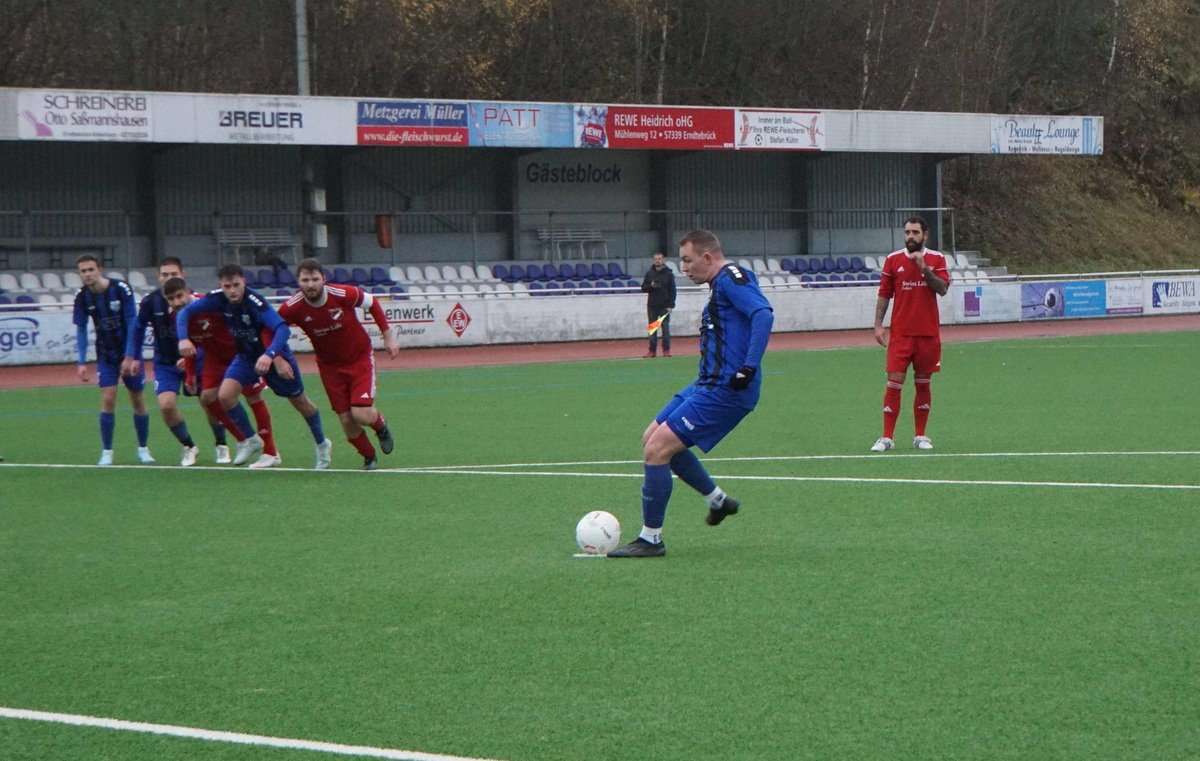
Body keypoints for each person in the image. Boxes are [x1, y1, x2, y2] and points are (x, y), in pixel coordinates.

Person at [609, 230, 774, 558]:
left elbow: (763, 314)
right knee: (652, 437)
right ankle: (718, 501)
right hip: (706, 383)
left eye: (687, 260)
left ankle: (651, 539)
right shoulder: (722, 283)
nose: (683, 268)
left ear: (707, 257)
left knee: (657, 450)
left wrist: (749, 367)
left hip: (727, 389)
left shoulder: (730, 279)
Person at [175, 264, 332, 469]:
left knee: (301, 402)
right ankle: (251, 439)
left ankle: (322, 443)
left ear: (244, 282)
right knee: (225, 396)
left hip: (274, 356)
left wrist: (270, 355)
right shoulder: (217, 299)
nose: (232, 290)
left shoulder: (254, 301)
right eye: (227, 286)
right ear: (220, 285)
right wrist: (183, 339)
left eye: (236, 285)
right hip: (247, 357)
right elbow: (184, 313)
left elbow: (282, 329)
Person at [278, 259, 398, 470]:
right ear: (298, 281)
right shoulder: (292, 307)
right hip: (329, 367)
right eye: (305, 280)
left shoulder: (342, 294)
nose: (311, 284)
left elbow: (372, 303)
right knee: (346, 419)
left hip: (359, 358)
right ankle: (369, 457)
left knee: (360, 414)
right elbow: (272, 329)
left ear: (323, 279)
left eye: (315, 279)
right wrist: (277, 358)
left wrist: (388, 336)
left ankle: (380, 425)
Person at [163, 277, 282, 468]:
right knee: (207, 398)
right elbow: (190, 345)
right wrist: (190, 373)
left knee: (253, 397)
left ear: (187, 292)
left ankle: (271, 451)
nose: (177, 302)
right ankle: (245, 439)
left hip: (238, 354)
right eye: (171, 299)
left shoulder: (208, 303)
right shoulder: (176, 316)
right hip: (214, 358)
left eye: (179, 296)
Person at [871, 215, 950, 452]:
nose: (910, 237)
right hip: (901, 334)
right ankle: (887, 437)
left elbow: (942, 289)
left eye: (915, 232)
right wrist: (878, 324)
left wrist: (924, 268)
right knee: (894, 383)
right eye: (907, 232)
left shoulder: (937, 259)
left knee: (923, 384)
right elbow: (884, 294)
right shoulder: (893, 260)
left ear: (925, 235)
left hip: (927, 334)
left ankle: (920, 436)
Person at [72, 254, 154, 465]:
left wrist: (130, 356)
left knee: (137, 399)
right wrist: (81, 362)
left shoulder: (121, 289)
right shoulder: (82, 297)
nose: (87, 274)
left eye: (91, 269)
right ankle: (107, 451)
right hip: (106, 355)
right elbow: (81, 329)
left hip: (129, 354)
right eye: (83, 271)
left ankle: (143, 448)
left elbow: (132, 322)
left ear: (100, 269)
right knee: (108, 399)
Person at [640, 251, 676, 358]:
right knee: (653, 329)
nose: (657, 261)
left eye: (659, 259)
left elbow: (673, 290)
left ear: (663, 260)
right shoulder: (649, 273)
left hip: (665, 306)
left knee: (665, 329)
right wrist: (651, 285)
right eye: (656, 259)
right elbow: (643, 288)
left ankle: (666, 350)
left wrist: (671, 305)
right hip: (652, 306)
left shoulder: (669, 274)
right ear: (653, 260)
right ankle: (652, 351)